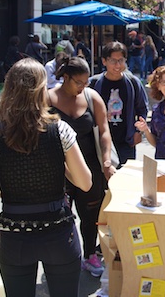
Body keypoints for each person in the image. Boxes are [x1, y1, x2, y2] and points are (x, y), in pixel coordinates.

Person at [0, 58, 92, 297]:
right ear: (41, 89)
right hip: (58, 231)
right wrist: (60, 164)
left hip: (14, 234)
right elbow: (85, 183)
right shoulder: (60, 130)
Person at [48, 57, 115, 277]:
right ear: (65, 77)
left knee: (91, 215)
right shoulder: (46, 98)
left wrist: (106, 160)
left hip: (91, 169)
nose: (83, 86)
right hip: (57, 172)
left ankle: (90, 255)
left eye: (86, 82)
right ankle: (61, 259)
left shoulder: (91, 97)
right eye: (78, 82)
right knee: (60, 218)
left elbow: (104, 131)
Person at [89, 41, 148, 167]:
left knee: (124, 178)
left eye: (121, 60)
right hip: (99, 141)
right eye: (113, 61)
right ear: (104, 61)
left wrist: (138, 132)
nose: (117, 65)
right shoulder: (94, 84)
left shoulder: (133, 83)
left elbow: (142, 109)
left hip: (125, 142)